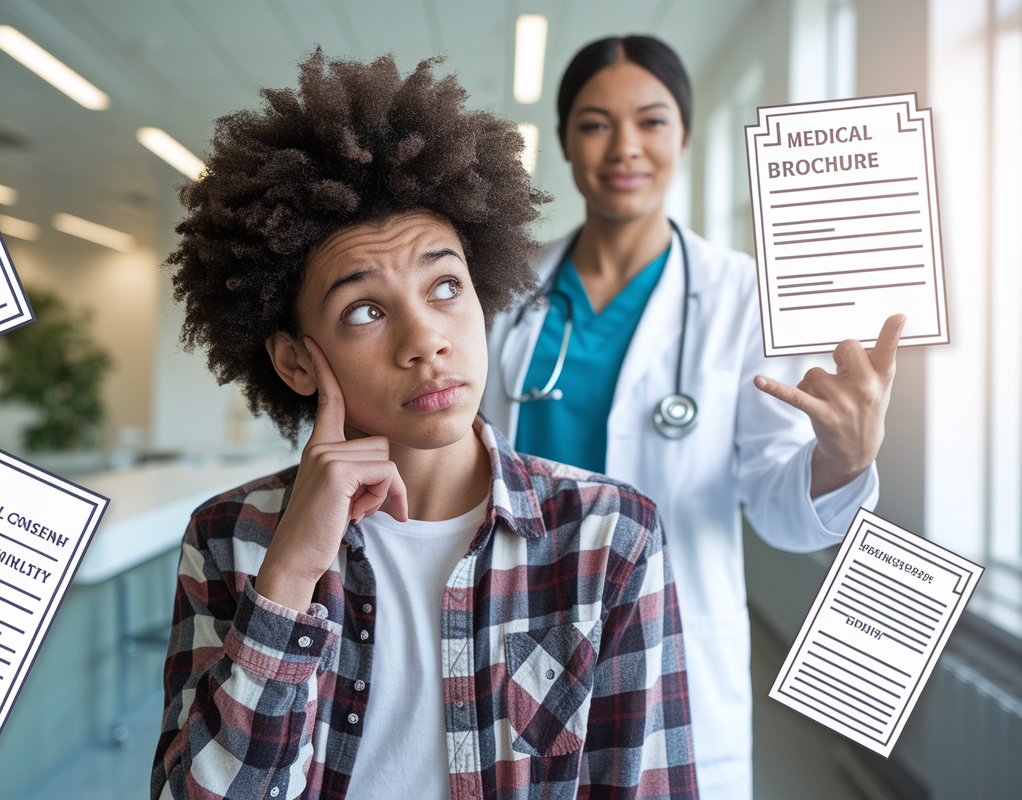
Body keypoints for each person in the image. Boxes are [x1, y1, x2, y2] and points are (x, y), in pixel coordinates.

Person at [151, 50, 698, 800]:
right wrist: (284, 584)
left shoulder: (610, 536)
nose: (426, 340)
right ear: (295, 362)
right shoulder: (231, 539)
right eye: (366, 310)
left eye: (446, 286)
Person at [482, 36, 899, 800]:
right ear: (568, 140)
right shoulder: (504, 294)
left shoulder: (742, 297)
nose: (625, 148)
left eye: (651, 120)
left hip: (665, 635)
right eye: (596, 124)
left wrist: (842, 458)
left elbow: (777, 504)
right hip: (514, 628)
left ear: (684, 134)